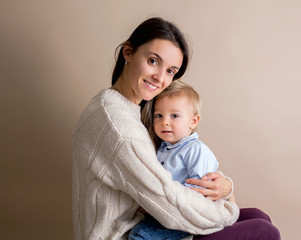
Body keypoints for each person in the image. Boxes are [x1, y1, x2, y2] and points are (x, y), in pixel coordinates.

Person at [72, 17, 280, 240]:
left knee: (258, 216)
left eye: (171, 71)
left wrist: (226, 186)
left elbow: (170, 179)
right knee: (264, 231)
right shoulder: (118, 126)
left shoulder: (119, 106)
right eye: (153, 61)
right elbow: (169, 201)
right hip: (132, 235)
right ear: (128, 52)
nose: (160, 78)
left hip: (149, 222)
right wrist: (228, 205)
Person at [129, 81, 234, 240]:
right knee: (137, 229)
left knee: (140, 236)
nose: (165, 122)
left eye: (174, 115)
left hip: (188, 216)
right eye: (159, 115)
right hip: (165, 212)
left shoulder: (195, 149)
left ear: (193, 121)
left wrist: (158, 203)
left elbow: (200, 191)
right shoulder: (162, 148)